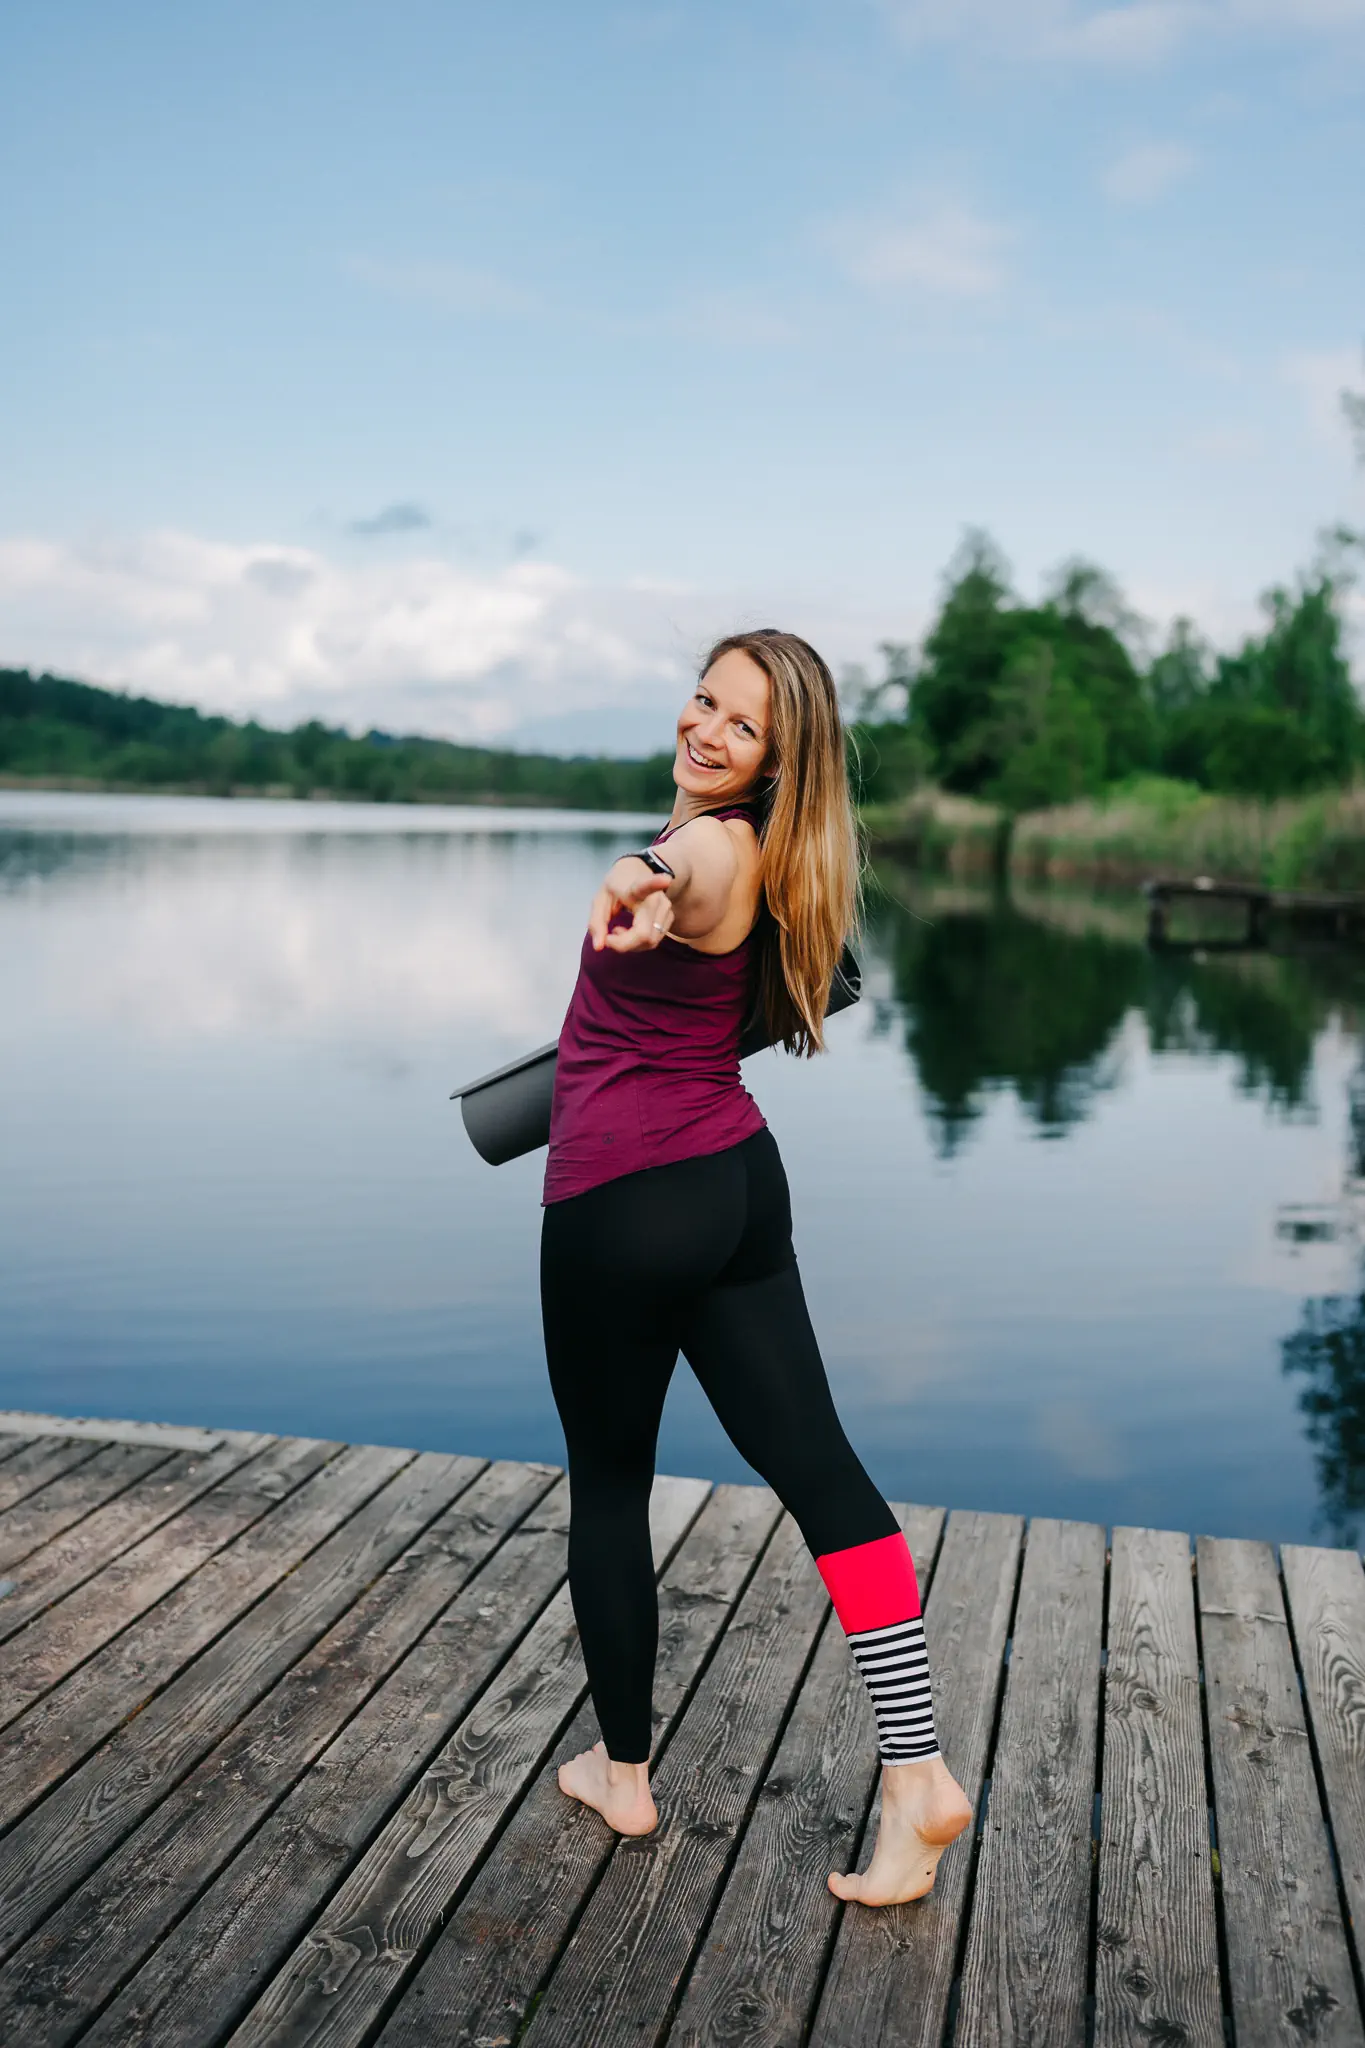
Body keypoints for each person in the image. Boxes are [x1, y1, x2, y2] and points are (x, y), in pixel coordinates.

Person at [539, 628, 972, 1906]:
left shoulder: (713, 844)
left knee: (611, 1487)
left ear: (781, 760)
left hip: (623, 1200)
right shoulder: (792, 859)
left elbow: (660, 867)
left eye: (745, 726)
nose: (707, 730)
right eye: (704, 701)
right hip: (736, 1184)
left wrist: (632, 881)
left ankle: (623, 1774)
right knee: (825, 1471)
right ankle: (918, 1773)